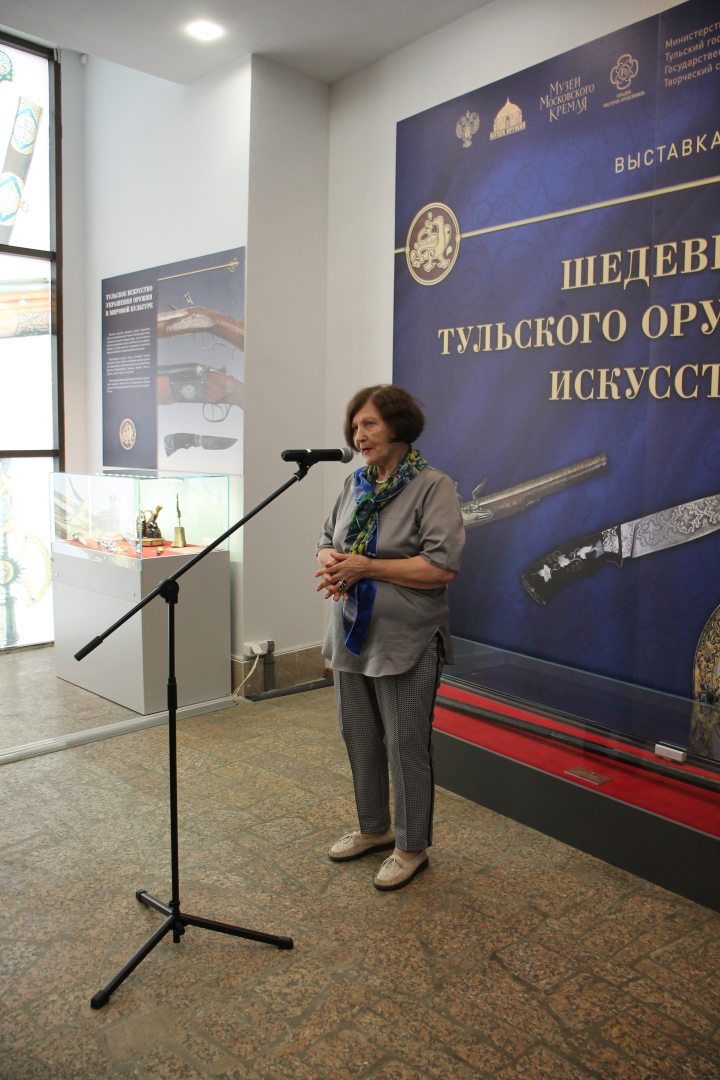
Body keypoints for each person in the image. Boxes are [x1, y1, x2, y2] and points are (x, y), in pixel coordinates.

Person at [316, 384, 465, 890]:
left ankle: (410, 846)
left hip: (406, 639)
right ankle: (374, 828)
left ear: (399, 426)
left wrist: (365, 566)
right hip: (350, 635)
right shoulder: (354, 483)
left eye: (369, 424)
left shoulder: (433, 486)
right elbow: (326, 538)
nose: (358, 435)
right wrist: (331, 560)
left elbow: (442, 566)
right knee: (358, 735)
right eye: (354, 426)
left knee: (405, 745)